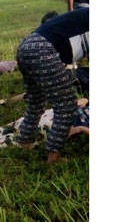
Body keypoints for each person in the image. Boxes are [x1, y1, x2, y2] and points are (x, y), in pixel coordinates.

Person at [15, 8, 88, 164]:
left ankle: (24, 142)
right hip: (43, 50)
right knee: (66, 105)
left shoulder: (82, 15)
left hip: (26, 46)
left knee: (36, 100)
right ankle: (53, 156)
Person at [0, 99, 89, 159]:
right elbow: (79, 100)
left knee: (12, 140)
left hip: (57, 125)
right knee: (5, 129)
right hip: (49, 114)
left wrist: (81, 128)